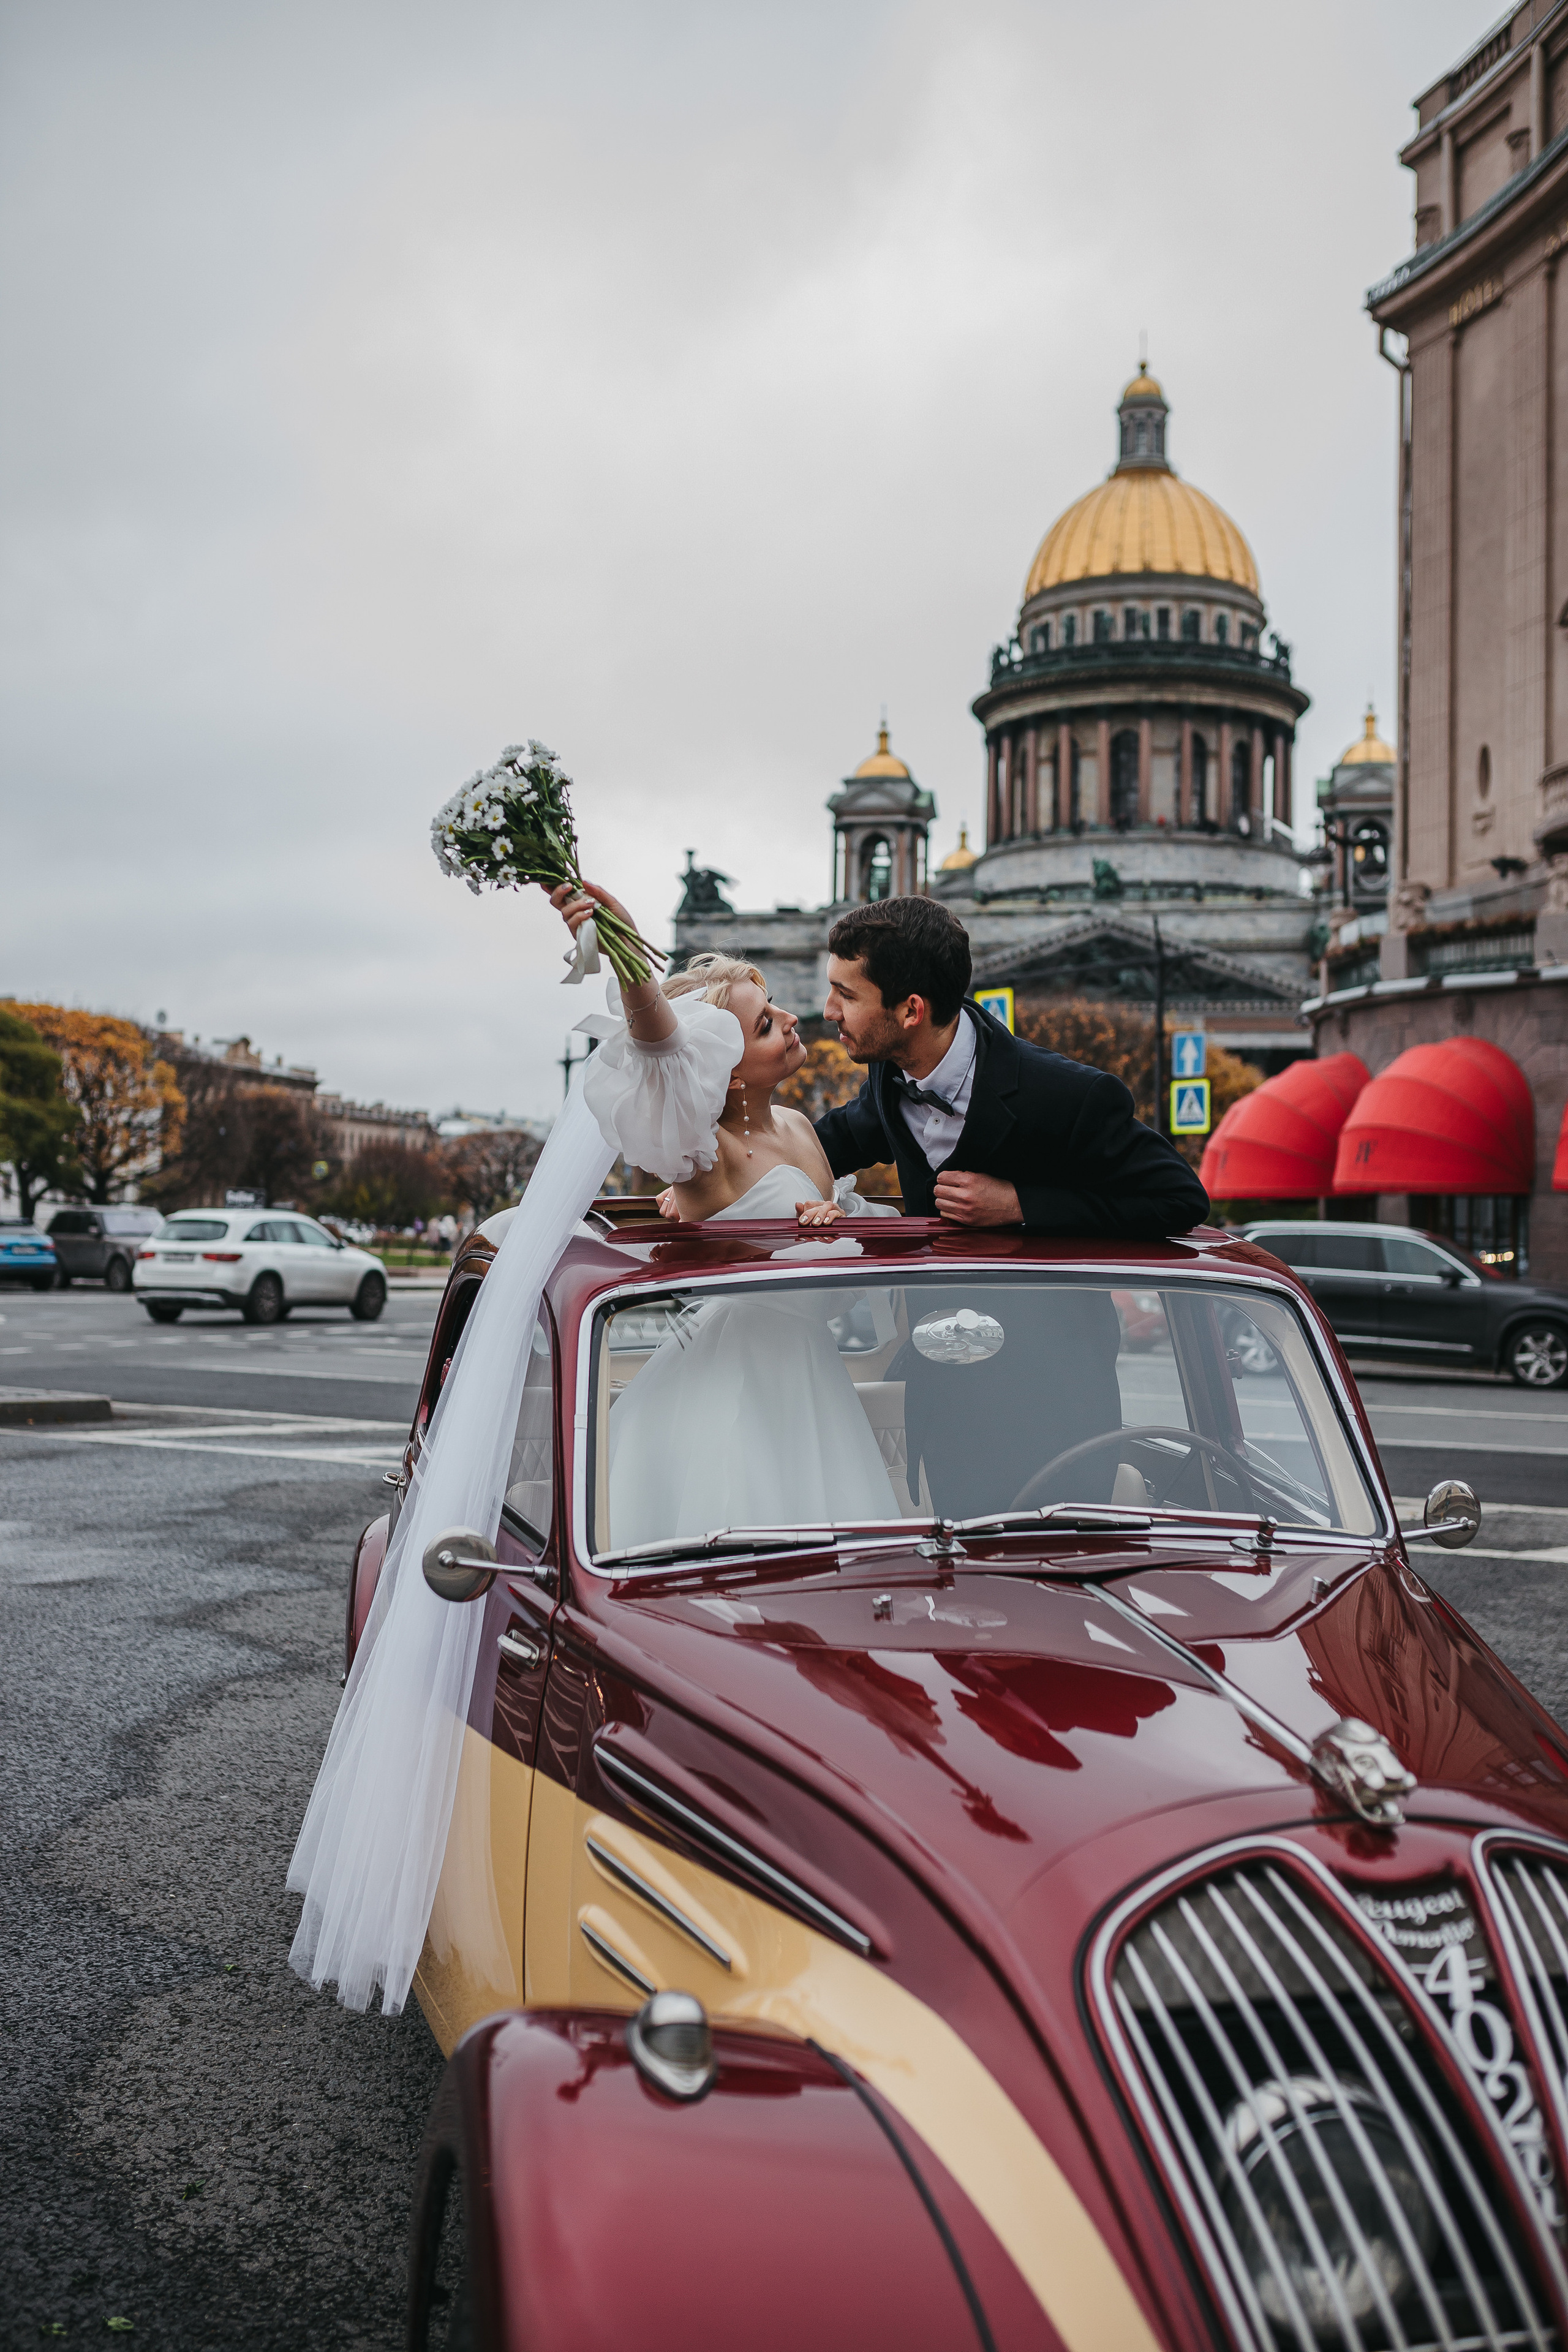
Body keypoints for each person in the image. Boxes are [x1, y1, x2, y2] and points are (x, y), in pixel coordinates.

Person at [815, 895, 1210, 1237]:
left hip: (1052, 1324)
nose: (828, 1011)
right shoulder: (890, 1074)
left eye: (846, 996)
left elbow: (1179, 1199)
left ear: (911, 1011)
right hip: (928, 1322)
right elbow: (821, 1147)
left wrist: (1019, 1205)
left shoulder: (1071, 1096)